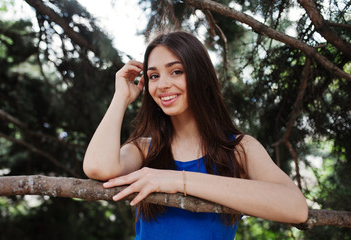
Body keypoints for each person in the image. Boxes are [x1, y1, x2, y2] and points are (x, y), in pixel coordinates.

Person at [83, 31, 308, 239]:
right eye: (153, 76)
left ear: (201, 75)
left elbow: (295, 208)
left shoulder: (239, 149)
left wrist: (175, 179)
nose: (162, 85)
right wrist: (120, 97)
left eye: (176, 71)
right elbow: (97, 167)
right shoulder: (144, 148)